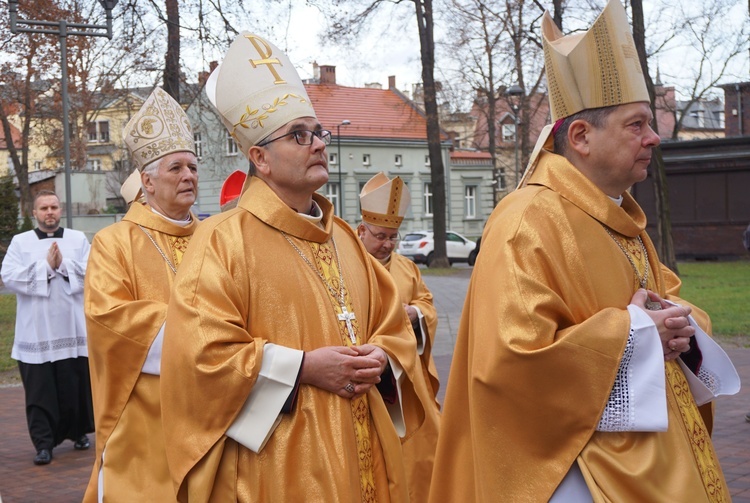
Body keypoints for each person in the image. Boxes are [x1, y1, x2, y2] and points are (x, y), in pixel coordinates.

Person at [430, 1, 741, 502]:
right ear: (581, 137)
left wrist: (683, 327)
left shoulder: (620, 219)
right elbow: (511, 363)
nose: (655, 138)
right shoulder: (527, 220)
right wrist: (638, 332)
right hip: (575, 474)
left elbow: (669, 305)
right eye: (636, 125)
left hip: (651, 460)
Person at [160, 33, 430, 502]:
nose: (318, 145)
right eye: (299, 135)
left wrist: (382, 358)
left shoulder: (345, 238)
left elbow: (391, 326)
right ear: (259, 158)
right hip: (281, 467)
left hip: (364, 446)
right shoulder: (221, 241)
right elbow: (200, 359)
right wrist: (304, 367)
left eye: (318, 132)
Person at [83, 87, 199, 501]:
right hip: (147, 419)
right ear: (147, 180)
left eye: (192, 166)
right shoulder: (114, 242)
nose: (188, 175)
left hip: (216, 412)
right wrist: (204, 336)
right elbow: (108, 319)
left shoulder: (217, 240)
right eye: (176, 168)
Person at [357, 172, 441, 502]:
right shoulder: (349, 264)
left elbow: (426, 303)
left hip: (409, 376)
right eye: (380, 235)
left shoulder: (408, 268)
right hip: (371, 374)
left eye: (394, 236)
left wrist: (415, 315)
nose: (388, 243)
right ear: (362, 230)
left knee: (425, 441)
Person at [1, 190, 93, 466]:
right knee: (41, 390)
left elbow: (93, 269)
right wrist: (46, 268)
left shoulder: (77, 239)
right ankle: (44, 444)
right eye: (43, 208)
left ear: (60, 209)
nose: (49, 212)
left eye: (53, 207)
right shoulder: (20, 242)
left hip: (71, 327)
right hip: (37, 330)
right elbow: (7, 276)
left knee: (74, 384)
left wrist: (63, 265)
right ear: (34, 212)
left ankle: (78, 432)